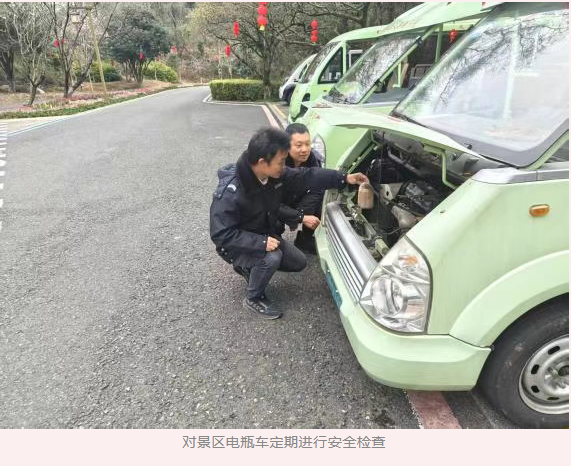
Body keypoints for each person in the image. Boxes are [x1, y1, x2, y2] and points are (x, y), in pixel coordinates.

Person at [210, 127, 368, 320]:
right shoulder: (231, 193)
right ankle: (254, 297)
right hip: (236, 245)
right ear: (262, 162)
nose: (284, 166)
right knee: (272, 258)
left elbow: (306, 176)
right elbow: (221, 234)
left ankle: (248, 267)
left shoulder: (271, 174)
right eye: (281, 162)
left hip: (263, 233)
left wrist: (344, 178)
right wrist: (260, 243)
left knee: (299, 262)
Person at [278, 123, 323, 254]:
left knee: (322, 203)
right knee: (272, 219)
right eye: (299, 145)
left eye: (308, 144)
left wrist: (303, 213)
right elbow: (270, 203)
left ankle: (305, 239)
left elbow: (317, 188)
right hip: (277, 201)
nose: (305, 149)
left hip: (296, 199)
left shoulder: (312, 159)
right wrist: (298, 217)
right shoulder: (276, 162)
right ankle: (274, 239)